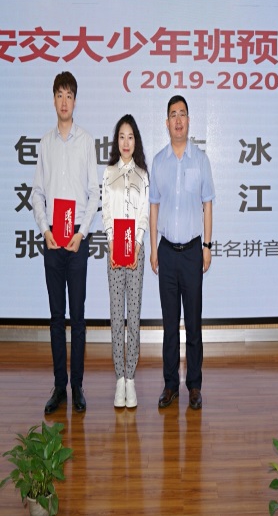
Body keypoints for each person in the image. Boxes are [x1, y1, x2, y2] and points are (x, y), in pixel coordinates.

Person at [32, 71, 100, 415]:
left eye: (69, 95)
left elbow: (94, 192)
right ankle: (60, 386)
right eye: (59, 94)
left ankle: (78, 387)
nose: (64, 101)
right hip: (52, 239)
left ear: (75, 101)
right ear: (53, 99)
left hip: (76, 238)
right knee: (56, 316)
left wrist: (81, 232)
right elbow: (37, 193)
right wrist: (45, 230)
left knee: (78, 317)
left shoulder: (85, 141)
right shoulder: (45, 143)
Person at [149, 95, 215, 410]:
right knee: (169, 324)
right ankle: (170, 385)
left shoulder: (200, 160)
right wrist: (153, 249)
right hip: (166, 251)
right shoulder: (159, 161)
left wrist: (207, 246)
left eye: (183, 114)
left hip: (191, 252)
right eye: (173, 114)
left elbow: (207, 204)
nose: (178, 120)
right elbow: (153, 206)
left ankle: (195, 386)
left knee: (193, 324)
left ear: (189, 121)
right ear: (167, 123)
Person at [103, 115, 150, 409]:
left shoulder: (143, 175)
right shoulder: (109, 173)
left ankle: (130, 378)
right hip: (113, 251)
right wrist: (112, 243)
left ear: (136, 141)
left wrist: (137, 245)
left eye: (130, 137)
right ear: (116, 140)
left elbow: (143, 214)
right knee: (115, 315)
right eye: (121, 136)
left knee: (133, 315)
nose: (126, 142)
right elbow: (106, 210)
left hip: (136, 252)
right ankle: (118, 377)